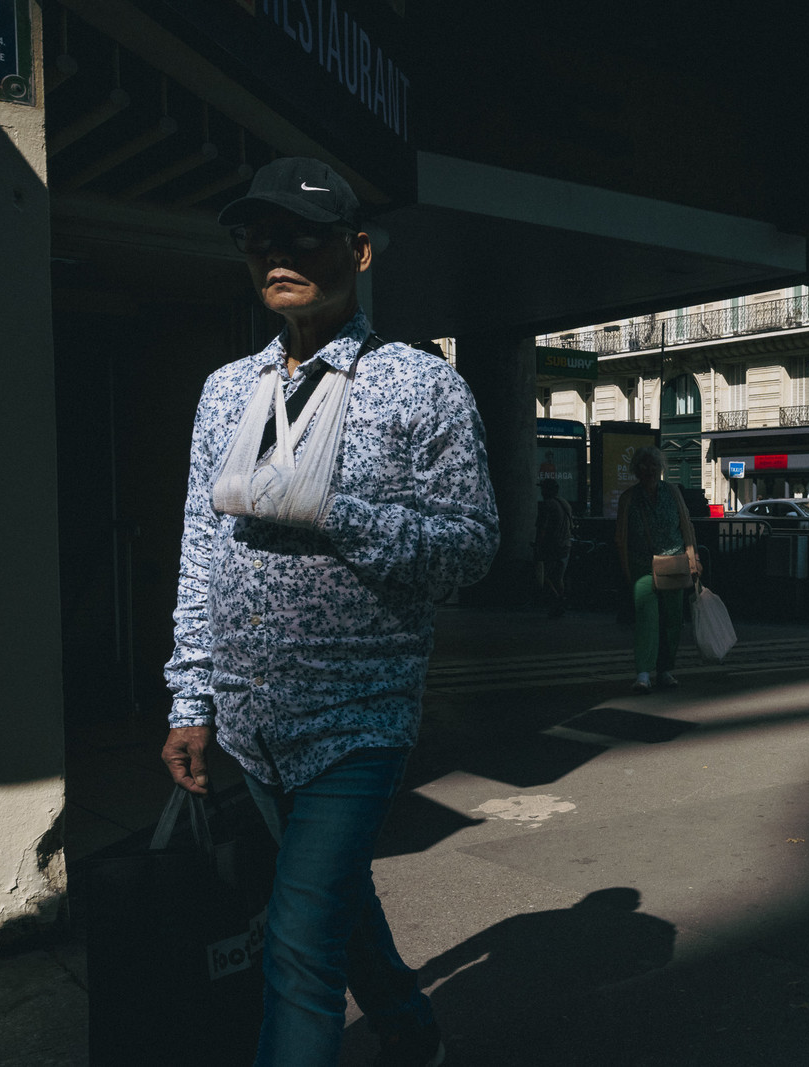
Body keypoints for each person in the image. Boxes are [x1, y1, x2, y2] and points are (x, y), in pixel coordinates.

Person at [159, 157, 499, 1067]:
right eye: (257, 239)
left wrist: (333, 510)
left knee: (298, 939)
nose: (276, 254)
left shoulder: (421, 385)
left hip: (356, 718)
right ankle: (411, 1028)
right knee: (335, 900)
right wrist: (191, 698)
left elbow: (470, 547)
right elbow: (201, 551)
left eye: (302, 236)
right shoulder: (227, 391)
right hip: (251, 720)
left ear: (358, 250)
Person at [614, 446, 700, 692]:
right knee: (646, 619)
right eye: (643, 465)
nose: (649, 469)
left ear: (660, 468)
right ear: (636, 469)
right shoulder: (629, 498)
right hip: (642, 565)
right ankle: (643, 673)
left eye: (653, 464)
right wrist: (625, 568)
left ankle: (665, 670)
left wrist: (693, 559)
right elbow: (621, 535)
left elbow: (686, 526)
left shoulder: (672, 492)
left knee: (673, 620)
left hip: (674, 563)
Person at [534, 478, 573, 617]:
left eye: (543, 489)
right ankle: (559, 603)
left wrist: (537, 545)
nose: (541, 492)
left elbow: (542, 528)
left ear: (547, 490)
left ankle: (557, 601)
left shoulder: (547, 505)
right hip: (566, 545)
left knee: (544, 577)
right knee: (558, 578)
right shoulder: (565, 503)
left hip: (552, 546)